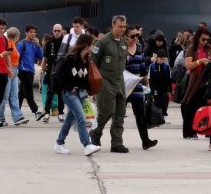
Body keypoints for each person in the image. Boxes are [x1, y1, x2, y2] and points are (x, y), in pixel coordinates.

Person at [53, 34, 102, 156]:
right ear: (86, 45)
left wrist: (86, 91)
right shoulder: (70, 58)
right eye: (92, 44)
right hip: (70, 94)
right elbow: (60, 76)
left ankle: (59, 143)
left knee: (69, 120)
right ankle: (87, 144)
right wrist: (70, 88)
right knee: (81, 117)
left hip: (81, 94)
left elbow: (85, 78)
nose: (93, 46)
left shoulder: (86, 59)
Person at [89, 15, 129, 153]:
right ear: (113, 25)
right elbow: (92, 61)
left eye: (124, 27)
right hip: (105, 81)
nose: (122, 29)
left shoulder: (124, 41)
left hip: (120, 81)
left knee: (120, 113)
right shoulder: (103, 42)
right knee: (107, 111)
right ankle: (95, 133)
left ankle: (117, 143)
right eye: (120, 26)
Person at [124, 25, 158, 150]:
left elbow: (142, 67)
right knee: (117, 115)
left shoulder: (138, 47)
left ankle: (145, 141)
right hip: (123, 86)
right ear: (125, 36)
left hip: (136, 85)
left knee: (140, 115)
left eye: (137, 35)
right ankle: (113, 140)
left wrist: (147, 84)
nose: (135, 38)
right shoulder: (121, 48)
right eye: (132, 36)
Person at [180, 28, 211, 140]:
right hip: (194, 81)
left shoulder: (210, 48)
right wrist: (200, 61)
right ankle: (189, 132)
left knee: (208, 107)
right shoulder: (192, 48)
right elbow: (188, 65)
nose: (205, 41)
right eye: (203, 39)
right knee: (191, 106)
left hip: (207, 81)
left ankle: (208, 130)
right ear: (198, 38)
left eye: (207, 39)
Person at [0, 27, 29, 127]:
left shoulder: (12, 44)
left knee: (13, 94)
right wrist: (9, 69)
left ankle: (17, 116)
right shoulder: (9, 44)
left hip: (14, 70)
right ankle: (0, 117)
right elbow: (5, 57)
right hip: (10, 70)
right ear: (17, 36)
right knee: (6, 95)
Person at [17, 25, 44, 121]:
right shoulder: (21, 44)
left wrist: (38, 45)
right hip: (23, 71)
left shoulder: (33, 44)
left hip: (31, 71)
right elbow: (17, 57)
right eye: (31, 32)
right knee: (29, 92)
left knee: (21, 92)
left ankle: (17, 111)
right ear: (26, 32)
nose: (33, 34)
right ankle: (36, 111)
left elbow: (40, 56)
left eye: (34, 32)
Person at [40, 23, 65, 123]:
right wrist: (43, 68)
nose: (57, 33)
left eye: (59, 31)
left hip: (62, 71)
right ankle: (46, 112)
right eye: (55, 31)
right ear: (52, 31)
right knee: (50, 92)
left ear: (62, 31)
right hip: (51, 71)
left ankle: (61, 113)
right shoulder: (49, 43)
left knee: (60, 93)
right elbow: (45, 57)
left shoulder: (65, 42)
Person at [149, 49, 171, 117]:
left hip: (164, 88)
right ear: (157, 58)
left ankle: (163, 113)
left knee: (164, 102)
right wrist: (151, 89)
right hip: (155, 88)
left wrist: (169, 90)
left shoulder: (166, 67)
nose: (162, 61)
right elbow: (150, 78)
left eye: (163, 59)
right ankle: (157, 115)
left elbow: (168, 79)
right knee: (156, 101)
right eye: (161, 59)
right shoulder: (152, 66)